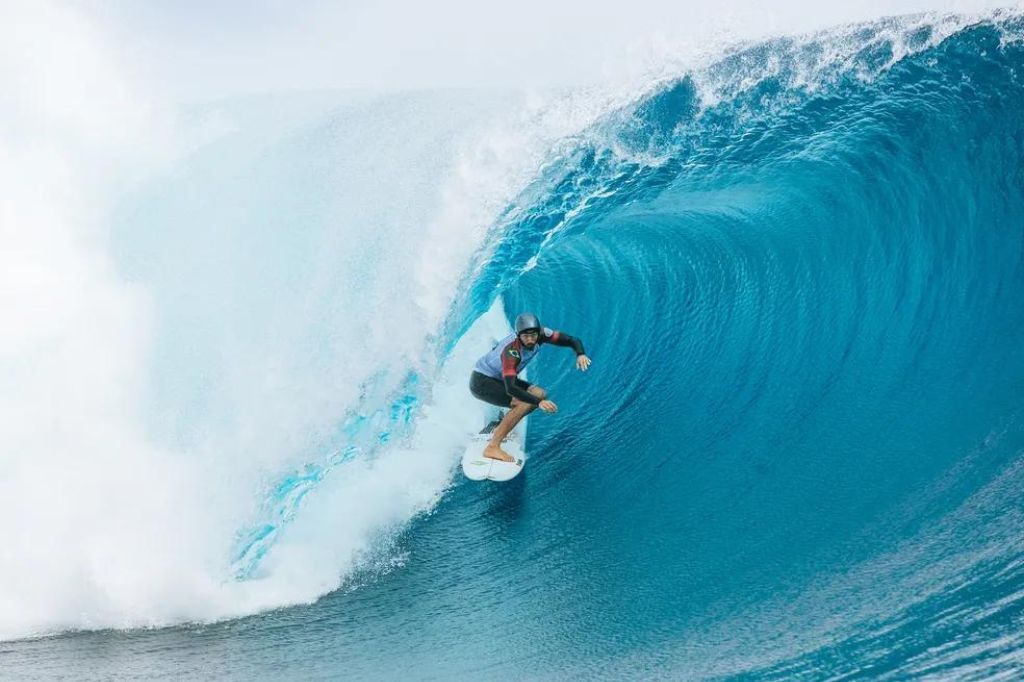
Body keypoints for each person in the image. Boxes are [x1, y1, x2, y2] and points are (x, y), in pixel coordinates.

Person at [469, 312, 591, 462]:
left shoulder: (542, 334)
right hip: (482, 382)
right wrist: (538, 403)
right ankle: (492, 447)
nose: (530, 340)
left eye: (533, 335)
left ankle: (502, 425)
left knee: (539, 393)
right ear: (518, 335)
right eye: (525, 336)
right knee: (525, 402)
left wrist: (580, 354)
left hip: (499, 378)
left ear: (538, 331)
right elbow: (511, 389)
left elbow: (572, 340)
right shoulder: (511, 352)